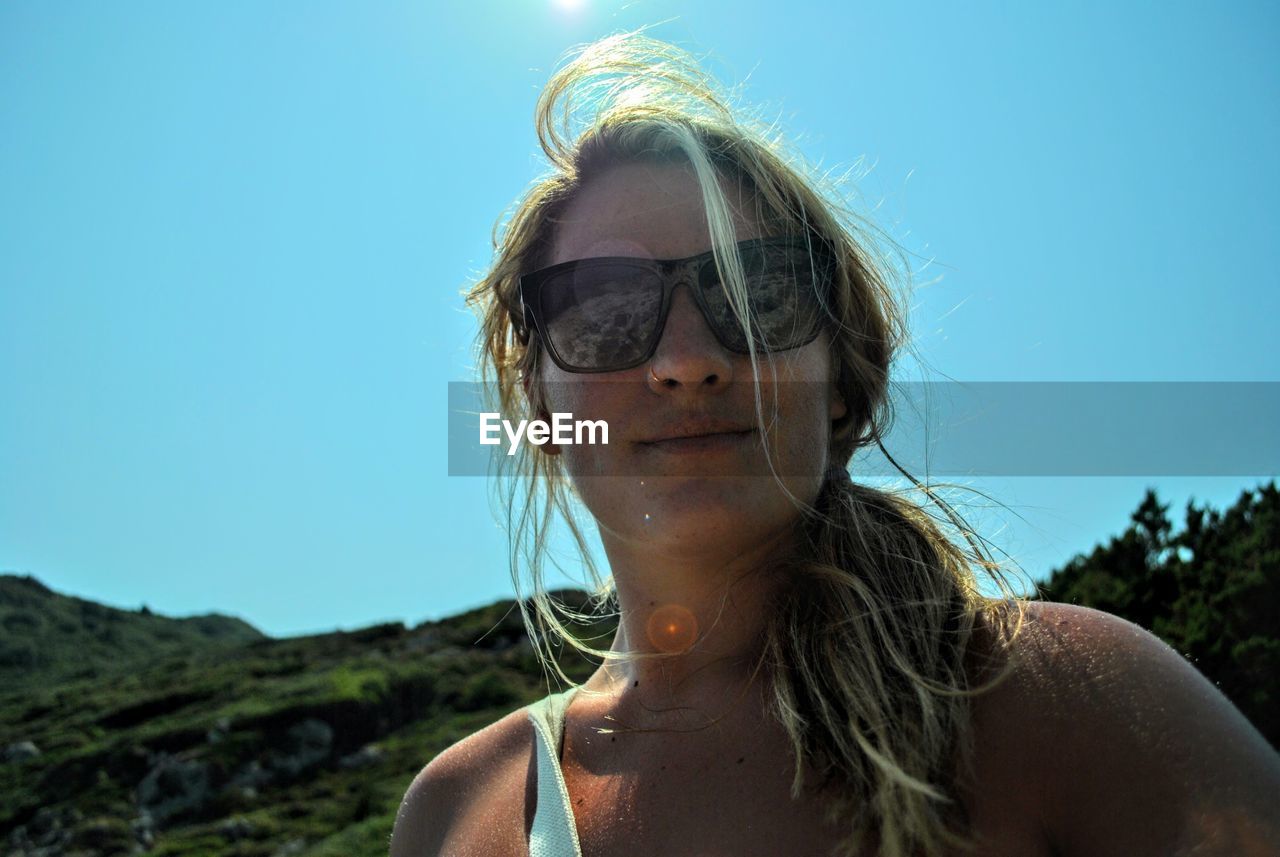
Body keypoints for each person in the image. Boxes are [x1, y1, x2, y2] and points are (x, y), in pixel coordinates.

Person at [392, 33, 1280, 857]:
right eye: (602, 309)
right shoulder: (460, 810)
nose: (686, 361)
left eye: (759, 294)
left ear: (844, 386)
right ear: (539, 408)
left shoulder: (1067, 702)